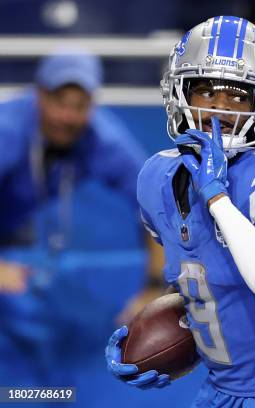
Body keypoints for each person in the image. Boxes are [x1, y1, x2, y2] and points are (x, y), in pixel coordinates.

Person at [105, 16, 255, 407]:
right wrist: (153, 341)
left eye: (239, 96)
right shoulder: (157, 177)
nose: (220, 109)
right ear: (179, 93)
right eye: (205, 92)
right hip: (219, 392)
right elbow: (206, 284)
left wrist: (218, 198)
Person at [0, 51, 164, 323]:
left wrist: (155, 288)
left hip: (14, 223)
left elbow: (157, 203)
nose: (68, 116)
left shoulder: (102, 139)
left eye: (79, 105)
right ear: (40, 95)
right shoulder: (8, 129)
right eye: (59, 102)